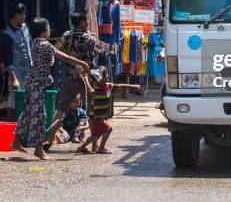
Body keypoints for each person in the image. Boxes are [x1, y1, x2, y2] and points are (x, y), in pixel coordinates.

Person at [12, 18, 90, 159]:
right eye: (48, 28)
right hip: (36, 85)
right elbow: (64, 57)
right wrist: (82, 62)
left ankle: (17, 141)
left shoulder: (35, 43)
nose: (49, 31)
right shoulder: (44, 45)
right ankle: (38, 148)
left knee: (28, 113)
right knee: (40, 116)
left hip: (33, 83)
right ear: (43, 31)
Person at [43, 10, 100, 151]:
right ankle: (93, 144)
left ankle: (49, 138)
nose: (88, 22)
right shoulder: (89, 38)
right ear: (82, 22)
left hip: (69, 77)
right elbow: (90, 58)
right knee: (92, 111)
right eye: (86, 20)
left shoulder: (65, 36)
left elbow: (62, 51)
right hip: (85, 78)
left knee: (60, 110)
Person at [76, 68, 140, 154]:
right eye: (106, 75)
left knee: (95, 135)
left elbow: (120, 85)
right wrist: (86, 78)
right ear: (100, 77)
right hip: (95, 117)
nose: (108, 77)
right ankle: (101, 148)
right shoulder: (95, 87)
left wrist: (133, 86)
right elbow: (90, 91)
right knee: (108, 129)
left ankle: (81, 147)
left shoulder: (109, 86)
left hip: (101, 116)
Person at [1, 3, 33, 121]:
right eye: (23, 14)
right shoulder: (7, 35)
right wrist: (14, 79)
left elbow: (30, 44)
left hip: (29, 71)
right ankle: (12, 127)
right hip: (17, 74)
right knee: (13, 101)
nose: (25, 17)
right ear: (16, 15)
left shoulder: (24, 27)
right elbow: (7, 59)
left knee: (27, 101)